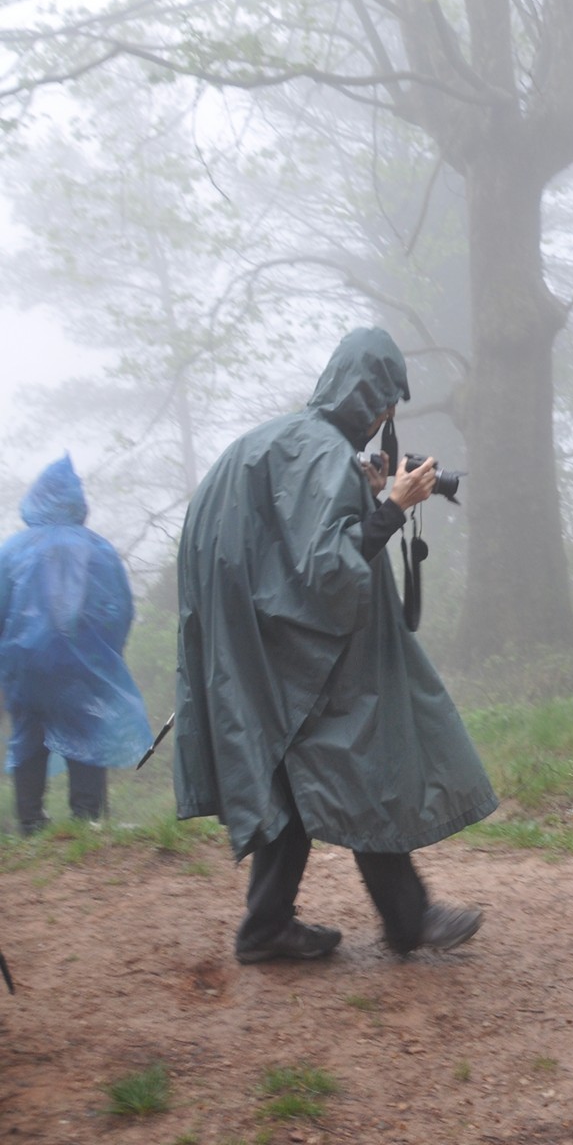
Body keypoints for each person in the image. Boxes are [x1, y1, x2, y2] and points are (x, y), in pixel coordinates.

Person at [174, 328, 497, 964]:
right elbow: (327, 567)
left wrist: (367, 495)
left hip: (246, 635)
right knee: (357, 751)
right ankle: (407, 918)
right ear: (368, 397)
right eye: (386, 403)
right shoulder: (322, 452)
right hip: (294, 643)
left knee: (293, 762)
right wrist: (393, 507)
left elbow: (287, 540)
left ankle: (266, 929)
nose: (386, 417)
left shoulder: (280, 440)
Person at [0, 456, 153, 834]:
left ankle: (30, 823)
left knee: (29, 734)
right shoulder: (99, 549)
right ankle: (88, 819)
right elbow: (119, 609)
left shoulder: (12, 550)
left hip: (25, 665)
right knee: (87, 727)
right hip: (84, 663)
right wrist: (107, 654)